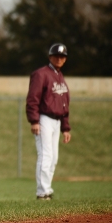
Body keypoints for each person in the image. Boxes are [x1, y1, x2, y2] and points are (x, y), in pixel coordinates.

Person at [26, 43, 71, 200]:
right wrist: (34, 120)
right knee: (45, 155)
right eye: (56, 56)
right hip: (44, 119)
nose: (59, 59)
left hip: (57, 121)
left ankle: (47, 190)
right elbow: (33, 98)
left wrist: (65, 127)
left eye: (62, 56)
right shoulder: (41, 74)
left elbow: (64, 103)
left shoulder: (59, 76)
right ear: (50, 57)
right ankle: (42, 192)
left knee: (53, 158)